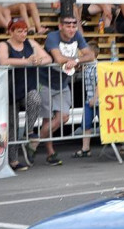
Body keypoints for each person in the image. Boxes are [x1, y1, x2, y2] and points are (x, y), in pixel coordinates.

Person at [31, 15, 95, 166]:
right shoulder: (53, 37)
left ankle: (32, 144)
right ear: (60, 26)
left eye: (74, 26)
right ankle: (50, 153)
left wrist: (77, 61)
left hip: (62, 82)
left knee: (63, 117)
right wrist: (73, 60)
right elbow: (58, 59)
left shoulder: (77, 35)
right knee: (47, 118)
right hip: (44, 81)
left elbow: (91, 54)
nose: (72, 29)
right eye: (68, 26)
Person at [0, 17, 51, 170]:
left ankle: (28, 130)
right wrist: (27, 61)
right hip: (9, 90)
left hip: (27, 88)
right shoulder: (3, 44)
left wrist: (39, 61)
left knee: (35, 99)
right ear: (11, 31)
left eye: (25, 31)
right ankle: (13, 160)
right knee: (11, 126)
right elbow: (3, 61)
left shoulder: (31, 43)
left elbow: (48, 58)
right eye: (19, 31)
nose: (23, 34)